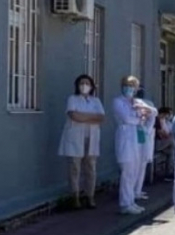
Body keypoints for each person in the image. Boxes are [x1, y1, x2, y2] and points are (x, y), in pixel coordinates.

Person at [57, 74, 106, 209]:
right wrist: (91, 117)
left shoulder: (96, 101)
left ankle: (90, 196)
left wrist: (83, 116)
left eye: (87, 83)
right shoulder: (72, 99)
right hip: (75, 137)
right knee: (75, 168)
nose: (84, 86)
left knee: (91, 168)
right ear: (77, 86)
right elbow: (74, 116)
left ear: (91, 86)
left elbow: (101, 118)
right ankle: (75, 197)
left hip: (92, 137)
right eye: (81, 83)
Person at [112, 76, 149, 215]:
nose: (129, 88)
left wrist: (141, 117)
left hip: (137, 138)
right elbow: (126, 118)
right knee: (127, 172)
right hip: (125, 138)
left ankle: (131, 201)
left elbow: (147, 115)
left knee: (134, 172)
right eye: (126, 85)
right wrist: (139, 119)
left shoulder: (137, 102)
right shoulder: (117, 101)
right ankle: (125, 204)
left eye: (132, 86)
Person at [133, 87, 158, 202]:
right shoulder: (132, 103)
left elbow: (153, 114)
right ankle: (135, 191)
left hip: (144, 136)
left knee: (141, 166)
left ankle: (137, 190)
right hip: (137, 136)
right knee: (136, 166)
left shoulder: (147, 104)